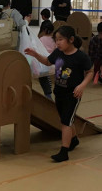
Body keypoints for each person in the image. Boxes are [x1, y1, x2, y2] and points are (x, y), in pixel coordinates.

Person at [25, 25, 93, 163]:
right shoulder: (58, 53)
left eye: (61, 40)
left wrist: (82, 86)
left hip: (73, 94)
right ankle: (73, 140)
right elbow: (47, 61)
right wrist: (35, 54)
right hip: (59, 92)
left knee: (66, 121)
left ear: (71, 40)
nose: (58, 43)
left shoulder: (80, 56)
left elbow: (90, 72)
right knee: (66, 119)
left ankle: (64, 151)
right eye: (56, 40)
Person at [37, 20, 55, 99]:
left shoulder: (41, 39)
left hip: (45, 62)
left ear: (43, 30)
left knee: (43, 78)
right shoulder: (55, 39)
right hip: (54, 62)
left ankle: (48, 94)